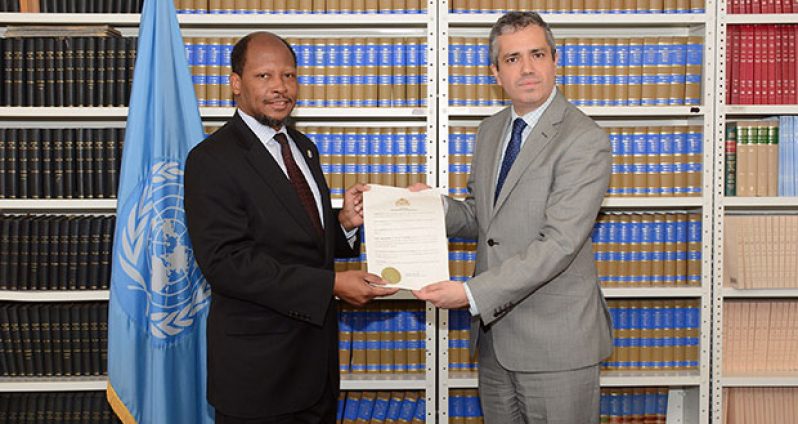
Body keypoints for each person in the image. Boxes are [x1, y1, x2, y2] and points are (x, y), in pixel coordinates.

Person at [185, 31, 397, 423]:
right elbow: (227, 264)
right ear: (235, 83)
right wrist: (332, 285)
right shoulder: (211, 160)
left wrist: (344, 224)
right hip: (259, 377)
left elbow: (299, 238)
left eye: (289, 75)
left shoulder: (303, 146)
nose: (280, 87)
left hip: (316, 370)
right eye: (264, 76)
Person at [412, 11, 613, 423]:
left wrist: (470, 295)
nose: (527, 68)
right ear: (495, 72)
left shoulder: (583, 139)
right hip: (495, 342)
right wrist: (434, 206)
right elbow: (483, 220)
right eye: (512, 59)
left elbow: (558, 244)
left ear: (555, 59)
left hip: (557, 346)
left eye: (537, 54)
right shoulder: (490, 132)